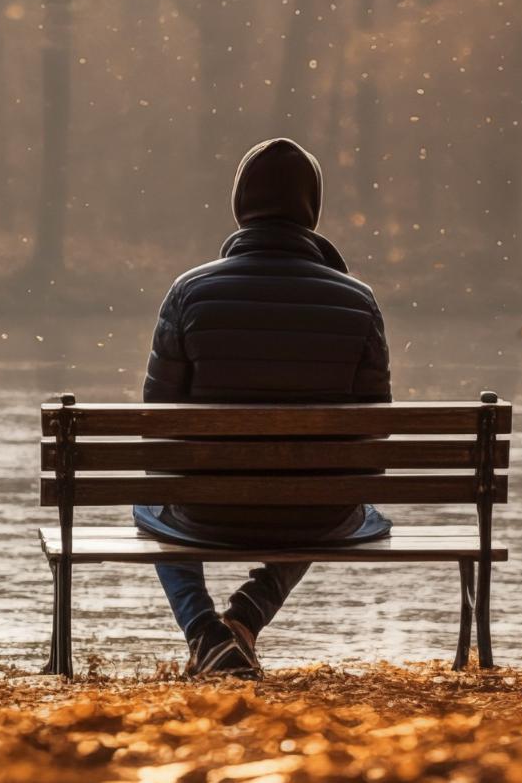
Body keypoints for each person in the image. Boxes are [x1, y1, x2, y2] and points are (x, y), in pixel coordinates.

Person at [136, 137, 392, 675]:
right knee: (336, 495)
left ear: (240, 207)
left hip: (206, 510)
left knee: (148, 503)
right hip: (314, 512)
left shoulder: (190, 291)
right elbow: (373, 436)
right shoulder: (358, 300)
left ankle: (207, 634)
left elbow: (158, 424)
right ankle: (246, 618)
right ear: (312, 212)